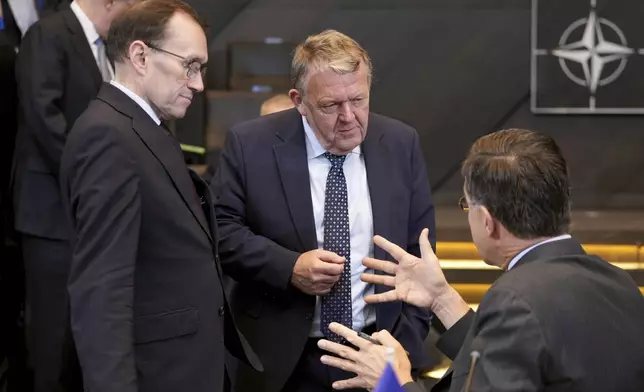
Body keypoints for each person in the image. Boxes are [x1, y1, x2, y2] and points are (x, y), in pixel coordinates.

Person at [318, 129, 644, 392]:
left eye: (467, 205)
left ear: (487, 221)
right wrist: (443, 300)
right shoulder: (619, 281)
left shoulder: (514, 298)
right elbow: (528, 353)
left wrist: (391, 382)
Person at [213, 29, 436, 392]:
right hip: (282, 361)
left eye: (358, 100)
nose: (349, 116)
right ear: (299, 100)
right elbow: (221, 231)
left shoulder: (400, 143)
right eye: (330, 106)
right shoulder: (251, 143)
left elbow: (420, 251)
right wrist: (289, 268)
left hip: (377, 356)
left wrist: (405, 345)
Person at [59, 1, 260, 391]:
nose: (199, 83)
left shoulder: (142, 126)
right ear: (140, 55)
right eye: (190, 65)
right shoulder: (109, 137)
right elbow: (102, 289)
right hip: (158, 372)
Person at [11, 1, 134, 390]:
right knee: (52, 329)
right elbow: (44, 117)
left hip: (91, 210)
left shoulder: (106, 46)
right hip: (51, 212)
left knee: (85, 323)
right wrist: (94, 176)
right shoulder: (48, 33)